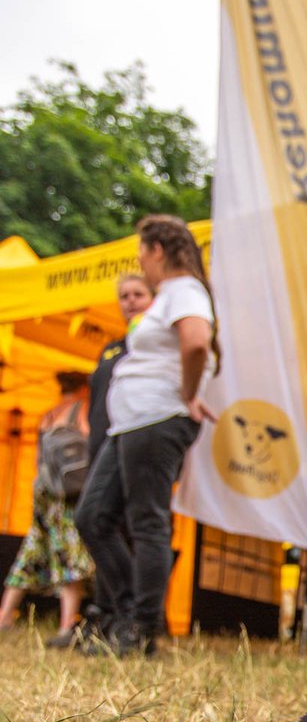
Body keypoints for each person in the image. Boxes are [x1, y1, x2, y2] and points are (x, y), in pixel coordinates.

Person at [75, 216, 217, 655]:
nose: (142, 261)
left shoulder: (186, 290)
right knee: (93, 516)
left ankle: (139, 630)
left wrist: (190, 394)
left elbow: (196, 342)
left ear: (157, 250)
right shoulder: (169, 296)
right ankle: (122, 617)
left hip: (157, 419)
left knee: (147, 522)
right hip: (130, 423)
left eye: (142, 253)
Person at [83, 272, 154, 639]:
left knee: (131, 531)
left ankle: (132, 616)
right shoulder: (111, 348)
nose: (130, 300)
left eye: (138, 293)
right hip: (102, 448)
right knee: (96, 524)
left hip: (137, 447)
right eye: (124, 295)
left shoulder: (152, 347)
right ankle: (105, 612)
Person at [0, 373, 96, 646]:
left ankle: (5, 616)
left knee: (32, 549)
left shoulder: (48, 415)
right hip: (64, 495)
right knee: (70, 555)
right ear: (82, 388)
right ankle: (68, 625)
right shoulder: (80, 411)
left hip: (41, 491)